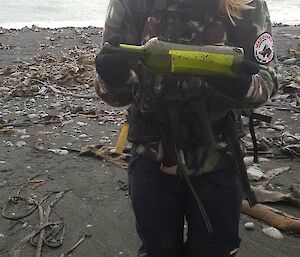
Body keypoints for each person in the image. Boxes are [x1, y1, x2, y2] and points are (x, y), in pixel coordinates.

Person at [94, 0, 278, 256]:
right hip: (152, 155)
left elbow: (267, 83)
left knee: (216, 249)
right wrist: (113, 77)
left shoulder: (246, 4)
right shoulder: (133, 4)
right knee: (157, 249)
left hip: (218, 159)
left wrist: (241, 85)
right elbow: (114, 96)